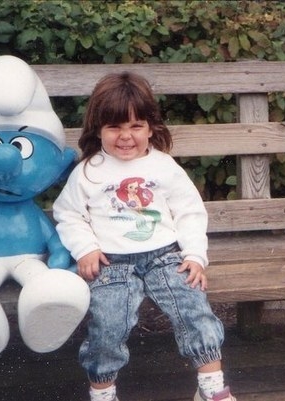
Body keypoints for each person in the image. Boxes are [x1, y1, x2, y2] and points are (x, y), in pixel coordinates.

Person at [53, 72, 236, 401]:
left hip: (165, 257)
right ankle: (103, 391)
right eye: (115, 127)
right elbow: (68, 214)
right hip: (111, 264)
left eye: (136, 126)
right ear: (98, 129)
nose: (126, 137)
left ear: (151, 127)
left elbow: (190, 212)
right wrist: (86, 249)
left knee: (193, 308)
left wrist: (194, 255)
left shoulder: (164, 167)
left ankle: (212, 388)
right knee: (107, 324)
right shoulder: (88, 171)